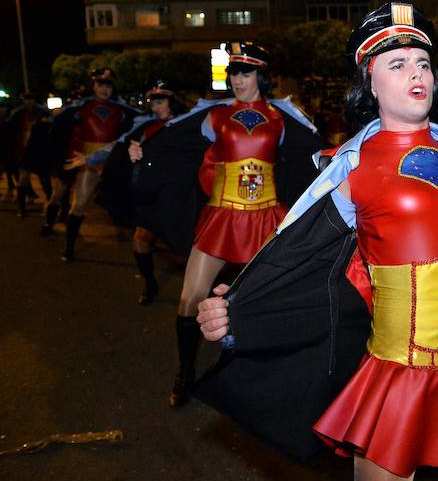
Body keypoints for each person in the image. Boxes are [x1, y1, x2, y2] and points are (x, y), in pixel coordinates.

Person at [194, 3, 438, 480]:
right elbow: (297, 254)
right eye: (397, 65)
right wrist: (238, 310)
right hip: (401, 364)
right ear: (370, 85)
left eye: (423, 64)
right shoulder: (349, 167)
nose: (416, 73)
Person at [128, 42, 322, 407]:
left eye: (245, 72)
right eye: (233, 72)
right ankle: (185, 371)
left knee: (271, 299)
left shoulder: (283, 118)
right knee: (189, 298)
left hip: (267, 217)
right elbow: (176, 146)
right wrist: (143, 152)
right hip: (221, 217)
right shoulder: (213, 116)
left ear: (260, 76)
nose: (237, 79)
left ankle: (260, 375)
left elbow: (310, 155)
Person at [91, 79, 182, 305]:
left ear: (172, 101)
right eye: (153, 103)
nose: (155, 107)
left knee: (190, 249)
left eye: (160, 102)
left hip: (179, 196)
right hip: (152, 195)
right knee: (140, 241)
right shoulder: (147, 128)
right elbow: (121, 147)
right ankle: (150, 285)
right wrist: (135, 157)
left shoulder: (188, 125)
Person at [46, 67, 139, 261]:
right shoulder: (80, 108)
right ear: (93, 86)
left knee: (129, 201)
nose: (105, 89)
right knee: (79, 204)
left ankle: (142, 243)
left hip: (112, 163)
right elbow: (59, 127)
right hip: (87, 161)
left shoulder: (123, 111)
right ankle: (68, 247)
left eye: (109, 86)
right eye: (100, 85)